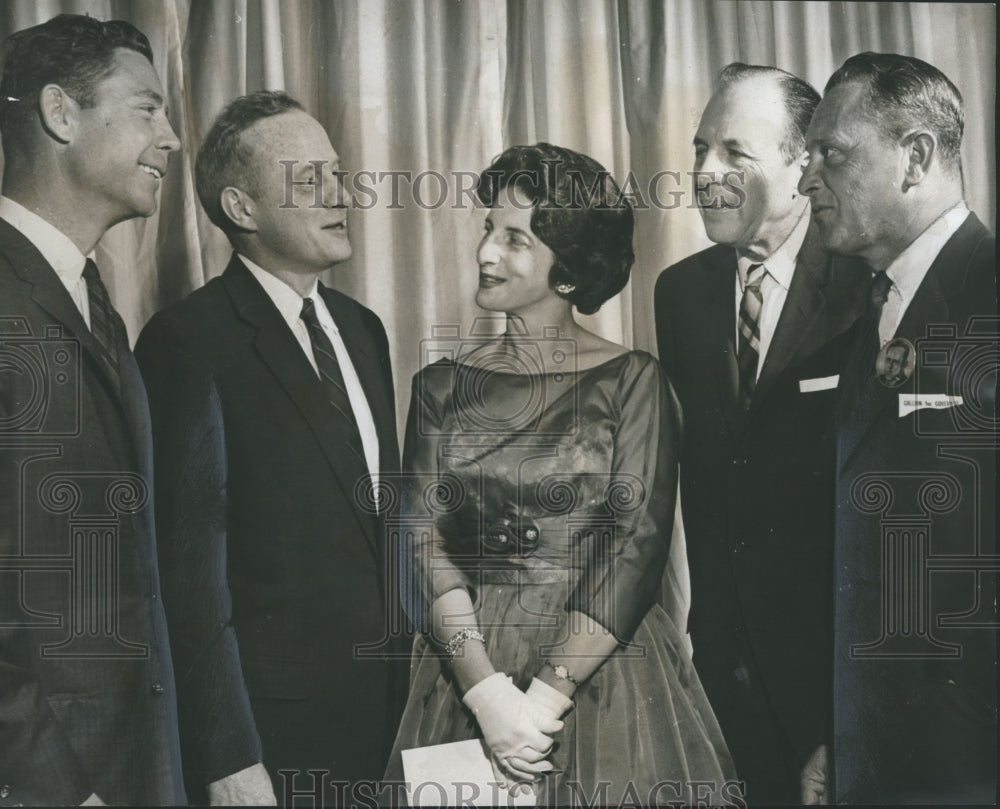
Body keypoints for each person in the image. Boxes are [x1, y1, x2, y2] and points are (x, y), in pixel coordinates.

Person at [386, 143, 737, 807]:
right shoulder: (439, 388)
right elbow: (421, 542)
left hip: (603, 672)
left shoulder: (634, 380)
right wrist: (487, 694)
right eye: (489, 228)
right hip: (465, 667)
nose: (487, 252)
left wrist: (543, 699)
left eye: (515, 237)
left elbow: (636, 544)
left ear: (568, 266)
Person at [134, 92, 401, 805]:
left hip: (393, 722)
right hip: (272, 743)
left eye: (338, 174)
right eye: (309, 178)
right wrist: (226, 756)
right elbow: (188, 576)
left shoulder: (363, 328)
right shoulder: (188, 341)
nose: (341, 193)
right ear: (242, 209)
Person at [654, 63, 869, 804]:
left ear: (801, 159)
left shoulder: (867, 288)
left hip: (839, 690)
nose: (704, 173)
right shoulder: (678, 294)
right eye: (699, 149)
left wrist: (853, 716)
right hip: (722, 680)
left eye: (733, 153)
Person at [799, 51, 997, 803]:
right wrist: (846, 731)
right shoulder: (866, 319)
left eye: (832, 154)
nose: (804, 178)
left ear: (915, 156)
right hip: (881, 755)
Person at [0, 13, 184, 806]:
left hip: (130, 766)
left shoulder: (89, 298)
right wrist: (52, 785)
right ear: (59, 113)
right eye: (148, 109)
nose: (172, 139)